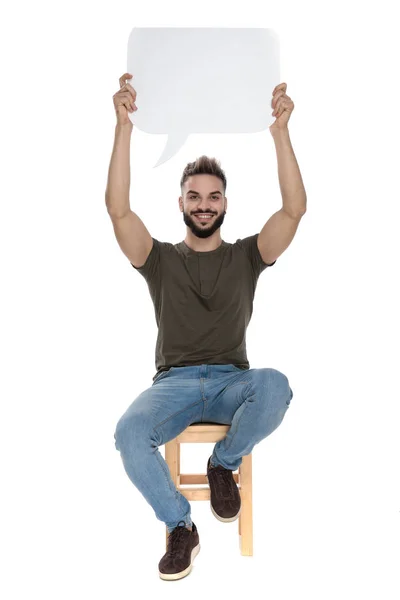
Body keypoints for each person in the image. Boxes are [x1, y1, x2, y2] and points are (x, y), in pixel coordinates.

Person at [106, 72, 307, 581]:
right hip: (171, 385)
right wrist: (123, 127)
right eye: (194, 195)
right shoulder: (158, 259)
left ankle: (224, 462)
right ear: (180, 203)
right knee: (129, 433)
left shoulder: (247, 256)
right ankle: (180, 526)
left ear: (224, 204)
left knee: (276, 386)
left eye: (213, 196)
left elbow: (294, 209)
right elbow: (118, 209)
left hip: (230, 383)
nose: (203, 204)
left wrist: (281, 133)